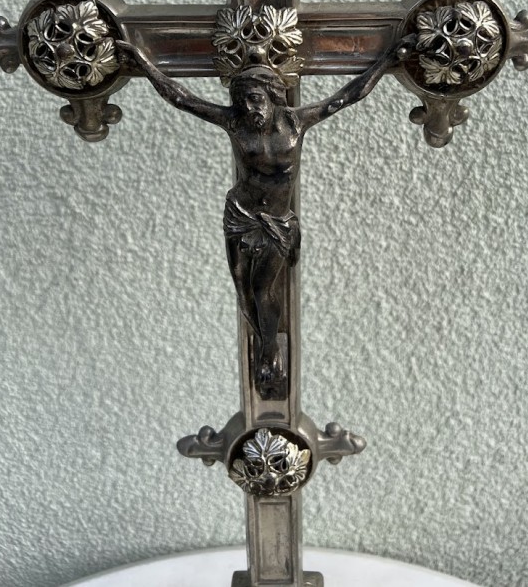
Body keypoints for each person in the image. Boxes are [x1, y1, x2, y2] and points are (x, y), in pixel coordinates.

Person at [117, 32, 415, 396]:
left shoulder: (296, 122)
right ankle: (264, 343)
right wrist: (141, 61)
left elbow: (347, 96)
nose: (249, 108)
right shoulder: (235, 122)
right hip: (240, 215)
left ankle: (269, 348)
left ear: (272, 96)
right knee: (242, 289)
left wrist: (387, 61)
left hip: (276, 222)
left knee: (262, 289)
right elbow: (182, 98)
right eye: (242, 101)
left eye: (255, 99)